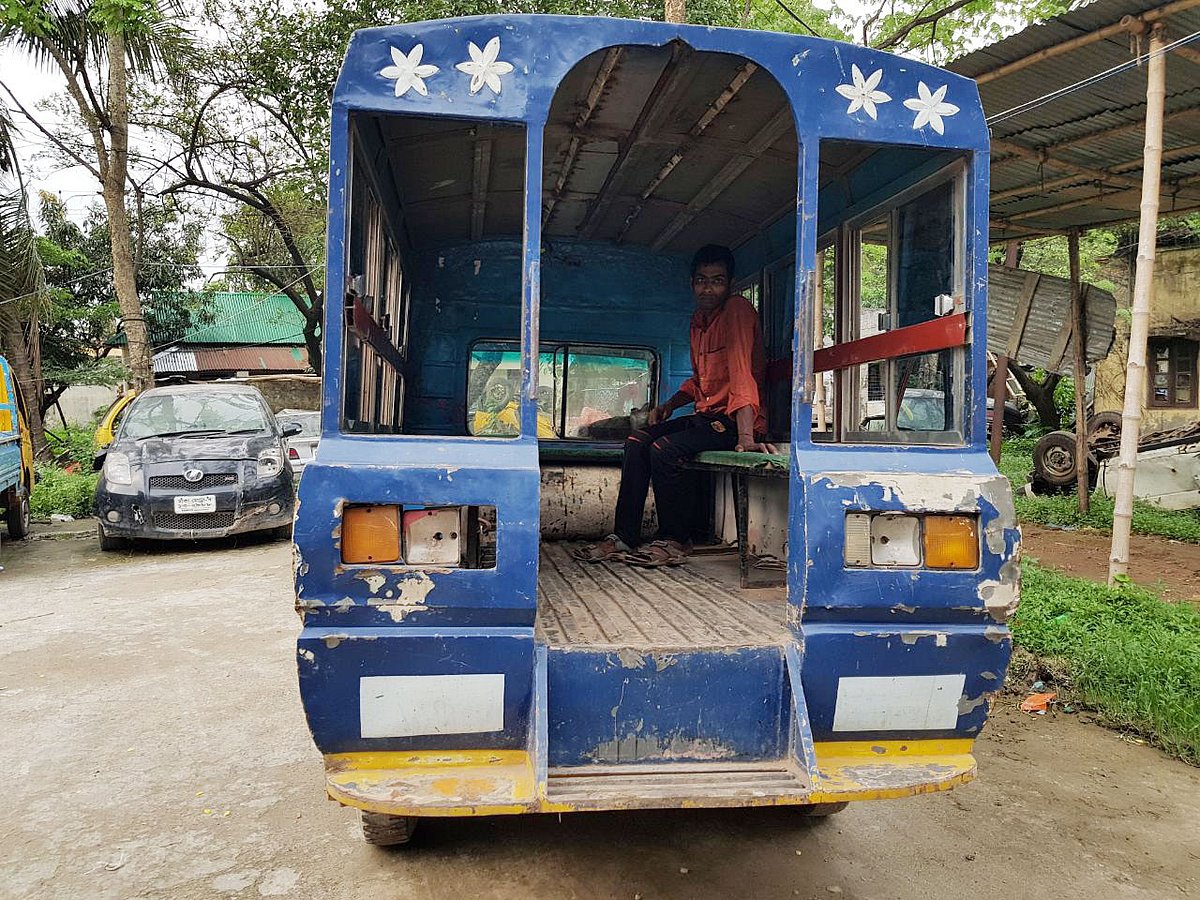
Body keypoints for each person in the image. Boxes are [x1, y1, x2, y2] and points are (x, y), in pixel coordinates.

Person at [575, 244, 775, 568]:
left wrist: (747, 437)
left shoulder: (736, 310)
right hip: (706, 417)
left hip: (737, 424)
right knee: (637, 442)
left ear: (731, 284)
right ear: (692, 283)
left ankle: (675, 538)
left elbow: (741, 375)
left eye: (717, 280)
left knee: (664, 449)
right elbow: (699, 381)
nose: (708, 288)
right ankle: (624, 536)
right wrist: (669, 405)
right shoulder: (699, 321)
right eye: (701, 280)